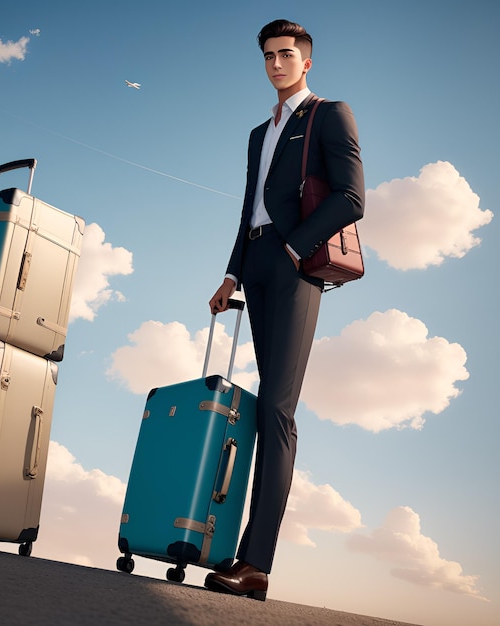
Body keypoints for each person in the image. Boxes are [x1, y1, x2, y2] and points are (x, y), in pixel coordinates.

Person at [204, 19, 364, 601]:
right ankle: (239, 552)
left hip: (296, 265)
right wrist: (230, 272)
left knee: (276, 409)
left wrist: (296, 249)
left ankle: (256, 564)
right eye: (268, 56)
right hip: (256, 261)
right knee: (259, 410)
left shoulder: (329, 113)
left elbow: (352, 197)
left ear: (307, 62)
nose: (276, 64)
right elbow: (248, 206)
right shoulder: (257, 133)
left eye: (286, 55)